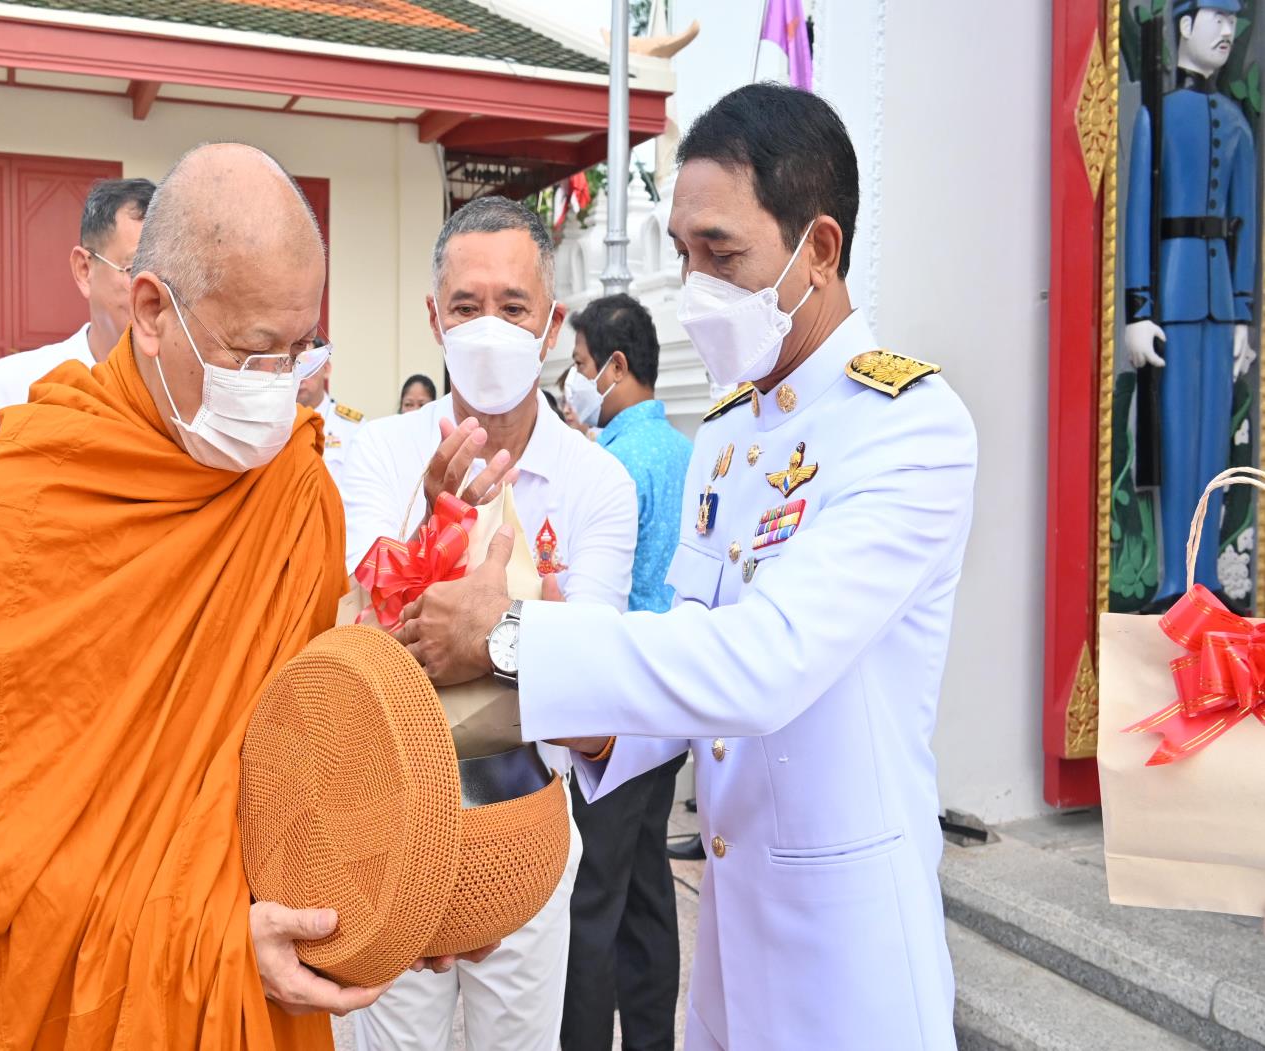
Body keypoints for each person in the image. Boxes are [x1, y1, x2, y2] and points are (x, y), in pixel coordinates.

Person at [398, 84, 978, 1050]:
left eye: (722, 253)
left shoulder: (909, 429)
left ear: (819, 249)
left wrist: (514, 637)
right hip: (731, 946)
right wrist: (582, 720)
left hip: (850, 956)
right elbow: (687, 659)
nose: (695, 281)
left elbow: (764, 661)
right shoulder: (729, 432)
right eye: (682, 252)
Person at [0, 143, 410, 1049]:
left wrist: (393, 892)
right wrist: (207, 941)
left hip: (260, 999)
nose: (281, 387)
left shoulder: (299, 491)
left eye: (302, 350)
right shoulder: (24, 499)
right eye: (254, 352)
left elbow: (302, 752)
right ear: (150, 311)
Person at [342, 196, 637, 1051]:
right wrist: (436, 534)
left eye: (513, 308)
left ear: (551, 325)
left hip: (525, 826)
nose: (489, 330)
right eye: (466, 307)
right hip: (390, 822)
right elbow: (367, 649)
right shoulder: (379, 454)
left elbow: (592, 691)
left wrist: (488, 630)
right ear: (434, 317)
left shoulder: (597, 484)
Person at [558, 294, 691, 1051]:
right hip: (670, 707)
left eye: (580, 365)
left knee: (591, 905)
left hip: (615, 713)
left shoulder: (609, 465)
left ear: (615, 365)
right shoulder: (686, 451)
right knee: (646, 893)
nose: (576, 381)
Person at [0, 177, 155, 582]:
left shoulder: (191, 399)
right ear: (84, 270)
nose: (155, 295)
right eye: (134, 269)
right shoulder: (10, 388)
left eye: (171, 276)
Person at [1125, 0, 1254, 607]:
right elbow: (1138, 217)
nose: (1227, 30)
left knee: (1212, 449)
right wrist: (1138, 309)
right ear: (1184, 25)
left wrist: (1243, 312)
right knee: (1176, 444)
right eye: (1216, 18)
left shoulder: (1237, 123)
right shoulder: (1157, 114)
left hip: (1220, 304)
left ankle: (1207, 580)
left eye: (1233, 21)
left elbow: (1246, 223)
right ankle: (1177, 580)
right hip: (1173, 301)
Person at [295, 355, 364, 484]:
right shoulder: (276, 423)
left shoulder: (352, 426)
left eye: (308, 368)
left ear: (326, 369)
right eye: (293, 368)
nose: (300, 377)